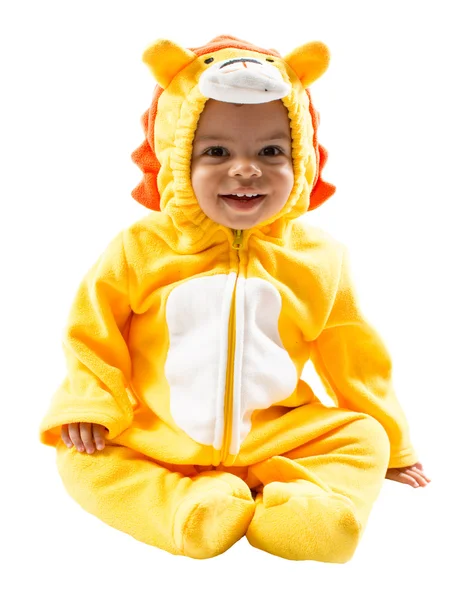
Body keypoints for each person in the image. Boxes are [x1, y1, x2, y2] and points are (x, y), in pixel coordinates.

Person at [39, 34, 431, 563]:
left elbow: (357, 356)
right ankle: (189, 511)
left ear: (304, 159)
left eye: (271, 151)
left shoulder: (320, 257)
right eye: (216, 152)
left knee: (364, 438)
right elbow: (92, 330)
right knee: (79, 458)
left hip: (278, 436)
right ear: (175, 157)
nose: (245, 169)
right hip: (161, 438)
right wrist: (89, 403)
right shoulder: (141, 247)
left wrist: (394, 442)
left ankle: (306, 515)